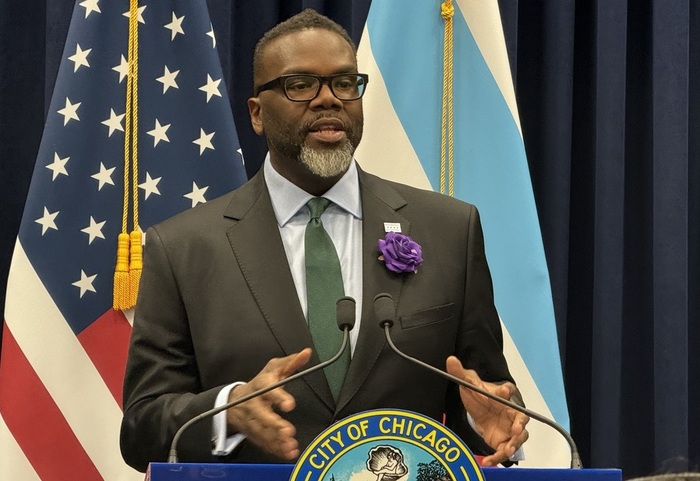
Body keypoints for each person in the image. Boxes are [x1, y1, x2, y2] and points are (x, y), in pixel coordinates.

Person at [120, 8, 529, 472]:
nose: (328, 100)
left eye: (344, 83)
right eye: (300, 85)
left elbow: (482, 397)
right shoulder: (184, 248)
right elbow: (141, 429)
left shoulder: (449, 231)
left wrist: (491, 425)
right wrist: (228, 410)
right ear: (256, 113)